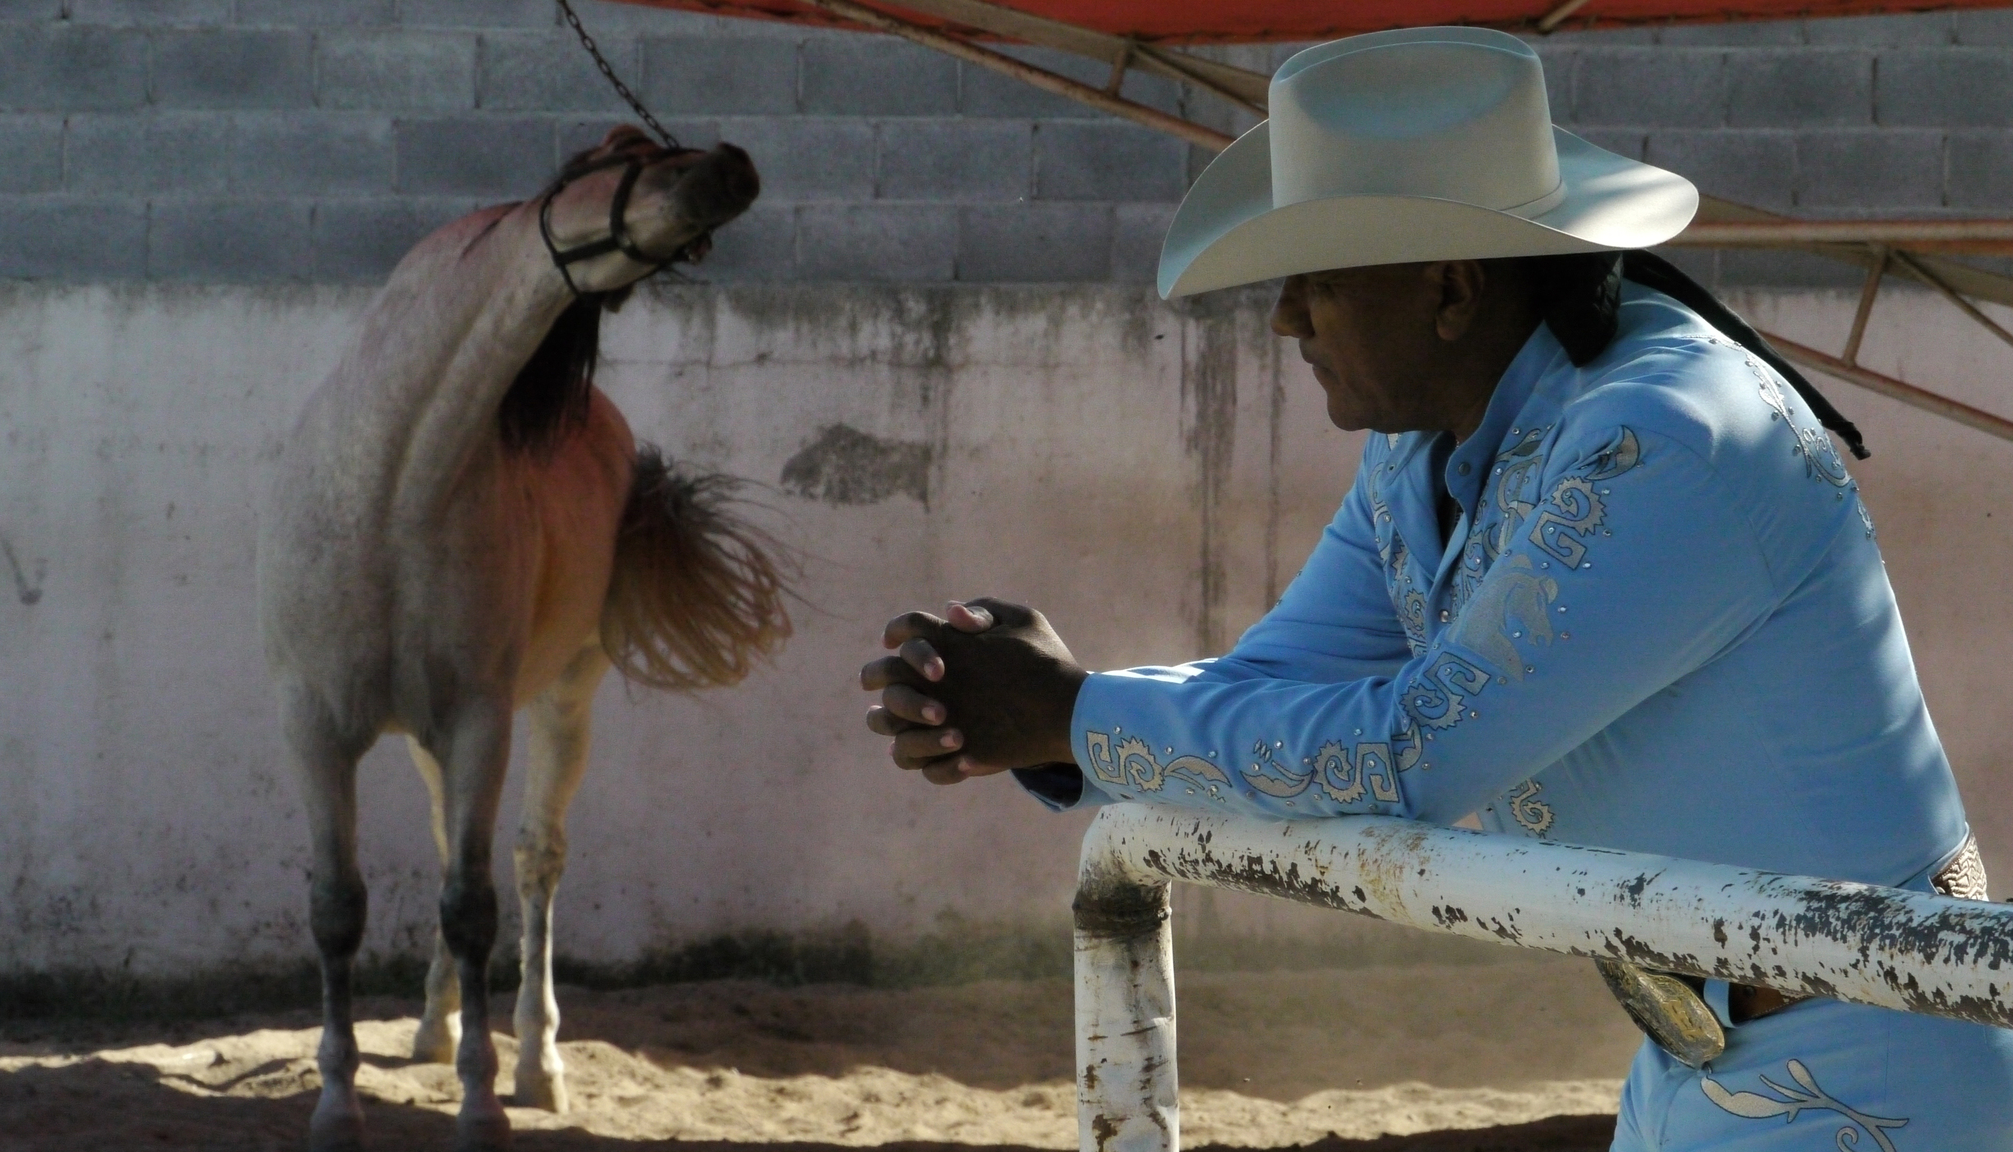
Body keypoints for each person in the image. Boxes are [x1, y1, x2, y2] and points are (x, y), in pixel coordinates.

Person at [858, 25, 2013, 1152]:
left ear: (1450, 290)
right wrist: (1058, 716)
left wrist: (1065, 714)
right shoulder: (1430, 443)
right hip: (1711, 1048)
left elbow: (1413, 754)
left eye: (1312, 281)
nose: (1282, 319)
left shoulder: (1663, 438)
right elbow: (1277, 679)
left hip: (1883, 1058)